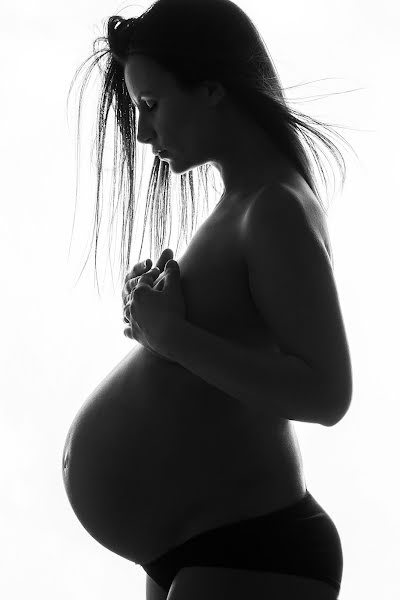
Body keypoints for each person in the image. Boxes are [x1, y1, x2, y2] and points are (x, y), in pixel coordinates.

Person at [63, 1, 353, 598]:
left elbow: (327, 393)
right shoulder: (241, 204)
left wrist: (173, 338)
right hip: (200, 540)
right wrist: (156, 324)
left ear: (214, 90)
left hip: (254, 547)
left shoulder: (274, 206)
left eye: (151, 106)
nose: (142, 133)